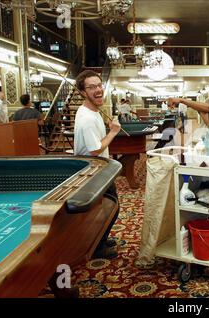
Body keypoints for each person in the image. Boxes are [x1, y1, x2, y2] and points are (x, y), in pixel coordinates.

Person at [73, 69, 121, 259]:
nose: (98, 89)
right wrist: (113, 132)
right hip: (93, 171)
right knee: (112, 208)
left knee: (106, 209)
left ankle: (100, 239)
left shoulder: (91, 111)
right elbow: (94, 149)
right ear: (83, 93)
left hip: (99, 168)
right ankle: (97, 247)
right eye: (91, 87)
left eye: (99, 85)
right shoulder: (86, 118)